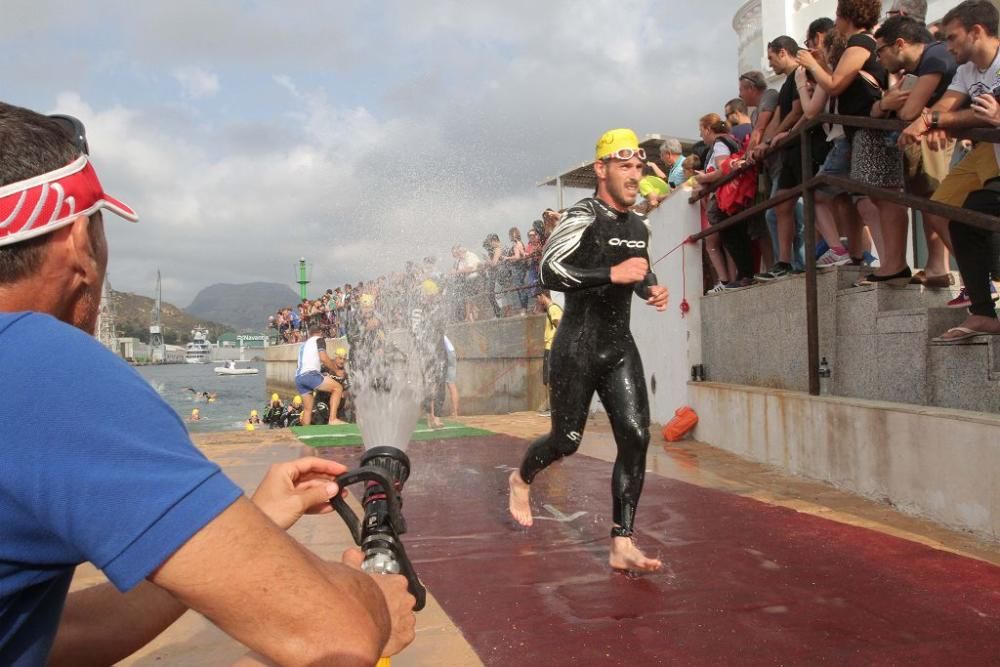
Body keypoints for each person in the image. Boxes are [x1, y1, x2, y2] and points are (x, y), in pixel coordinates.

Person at [0, 102, 414, 665]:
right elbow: (331, 634)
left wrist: (253, 524)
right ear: (78, 239)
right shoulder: (42, 367)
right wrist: (372, 596)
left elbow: (50, 639)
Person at [507, 128, 670, 573]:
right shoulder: (583, 214)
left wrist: (651, 289)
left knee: (636, 437)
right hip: (576, 347)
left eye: (639, 167)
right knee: (567, 441)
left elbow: (638, 272)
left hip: (619, 348)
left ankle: (622, 543)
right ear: (602, 169)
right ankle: (521, 477)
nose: (635, 175)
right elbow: (550, 269)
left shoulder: (640, 225)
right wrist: (611, 274)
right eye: (625, 167)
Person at [874, 16, 958, 285]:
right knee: (926, 201)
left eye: (880, 50)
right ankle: (936, 267)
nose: (878, 59)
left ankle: (975, 272)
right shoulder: (918, 67)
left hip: (939, 141)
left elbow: (909, 111)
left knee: (936, 203)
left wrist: (897, 104)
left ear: (899, 44)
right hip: (925, 140)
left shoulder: (935, 55)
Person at [295, 323, 347, 426]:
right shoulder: (319, 340)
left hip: (298, 377)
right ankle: (332, 419)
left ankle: (305, 432)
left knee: (307, 409)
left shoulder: (303, 345)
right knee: (337, 388)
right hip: (310, 375)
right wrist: (336, 371)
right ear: (319, 333)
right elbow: (323, 358)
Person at [535, 290, 562, 417]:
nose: (537, 301)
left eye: (538, 298)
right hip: (550, 347)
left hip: (552, 347)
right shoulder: (551, 310)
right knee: (548, 379)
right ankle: (552, 408)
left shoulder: (553, 309)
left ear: (542, 296)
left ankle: (554, 409)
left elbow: (560, 328)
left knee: (551, 379)